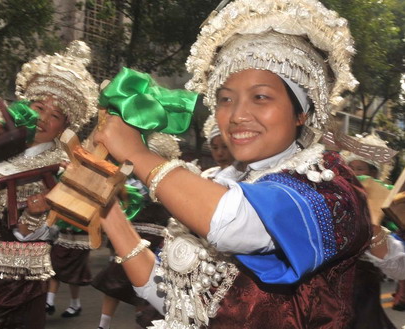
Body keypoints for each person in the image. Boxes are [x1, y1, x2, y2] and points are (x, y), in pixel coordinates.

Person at [93, 0, 374, 327]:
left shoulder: (331, 188)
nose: (238, 115)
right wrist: (105, 206)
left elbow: (237, 225)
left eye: (261, 97)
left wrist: (137, 154)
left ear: (302, 114)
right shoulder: (214, 181)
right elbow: (177, 302)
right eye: (226, 99)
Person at [0, 40, 98, 329]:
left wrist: (35, 214)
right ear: (26, 106)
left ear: (65, 125)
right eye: (39, 106)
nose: (43, 118)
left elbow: (35, 233)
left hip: (19, 288)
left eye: (55, 115)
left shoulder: (64, 169)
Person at [92, 132, 179, 329]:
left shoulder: (168, 186)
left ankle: (141, 322)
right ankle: (103, 324)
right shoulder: (127, 182)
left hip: (155, 242)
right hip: (127, 235)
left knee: (144, 287)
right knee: (114, 280)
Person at [341, 133, 398, 328]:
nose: (355, 173)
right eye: (352, 168)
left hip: (362, 285)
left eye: (361, 169)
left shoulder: (380, 205)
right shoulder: (336, 196)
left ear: (373, 174)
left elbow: (392, 258)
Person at [201, 115, 234, 180]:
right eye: (215, 148)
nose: (219, 153)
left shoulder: (249, 177)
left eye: (225, 147)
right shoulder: (207, 176)